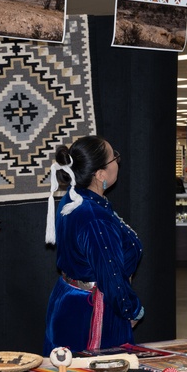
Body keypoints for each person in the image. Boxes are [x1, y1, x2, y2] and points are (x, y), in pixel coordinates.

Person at [43, 136, 143, 354]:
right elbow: (111, 275)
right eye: (114, 157)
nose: (118, 160)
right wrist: (132, 309)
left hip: (73, 302)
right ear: (100, 174)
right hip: (93, 311)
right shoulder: (93, 215)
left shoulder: (74, 199)